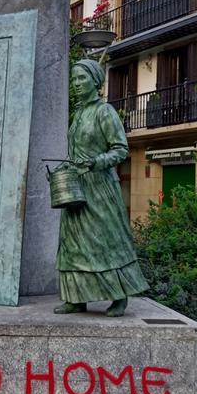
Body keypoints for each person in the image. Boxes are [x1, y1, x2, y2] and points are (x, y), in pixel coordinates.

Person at [54, 59, 149, 316]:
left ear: (95, 81)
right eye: (73, 79)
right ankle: (76, 297)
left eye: (81, 79)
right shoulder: (79, 113)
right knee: (74, 243)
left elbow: (120, 149)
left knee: (105, 242)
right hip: (77, 187)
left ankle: (119, 296)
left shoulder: (104, 111)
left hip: (100, 188)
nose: (76, 84)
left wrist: (96, 162)